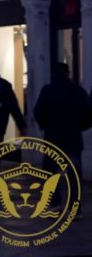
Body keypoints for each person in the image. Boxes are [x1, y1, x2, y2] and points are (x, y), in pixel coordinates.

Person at [34, 62, 91, 214]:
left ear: (53, 74)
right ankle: (75, 208)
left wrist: (45, 125)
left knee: (51, 174)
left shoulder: (47, 91)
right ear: (68, 73)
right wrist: (80, 126)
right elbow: (88, 113)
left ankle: (55, 204)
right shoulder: (78, 91)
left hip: (53, 138)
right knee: (74, 175)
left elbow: (38, 111)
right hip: (73, 138)